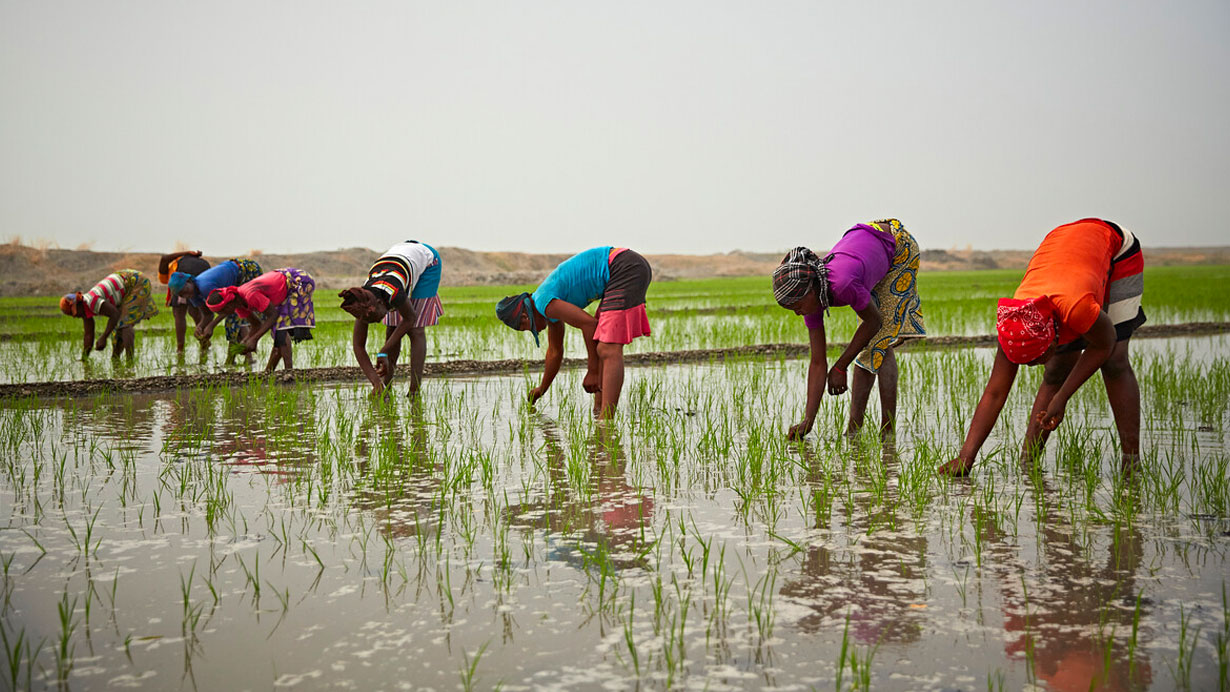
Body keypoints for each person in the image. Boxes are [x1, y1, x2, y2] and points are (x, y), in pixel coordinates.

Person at [939, 218, 1145, 477]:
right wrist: (965, 457)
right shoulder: (1015, 323)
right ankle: (1028, 463)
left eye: (1037, 358)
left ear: (1054, 335)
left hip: (1115, 249)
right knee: (1056, 369)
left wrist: (1063, 397)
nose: (1032, 366)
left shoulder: (1076, 308)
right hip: (1062, 251)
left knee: (1114, 361)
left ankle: (1131, 463)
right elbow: (994, 393)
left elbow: (1105, 342)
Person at [773, 218, 925, 440]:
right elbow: (817, 362)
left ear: (812, 291)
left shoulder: (842, 284)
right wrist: (808, 421)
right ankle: (855, 429)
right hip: (867, 248)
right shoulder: (813, 299)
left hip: (898, 247)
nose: (797, 313)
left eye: (797, 306)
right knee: (870, 346)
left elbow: (874, 322)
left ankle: (887, 431)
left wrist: (840, 366)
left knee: (879, 341)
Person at [497, 247, 652, 418]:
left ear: (525, 317)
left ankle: (606, 423)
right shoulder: (548, 308)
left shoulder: (543, 303)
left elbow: (589, 325)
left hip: (623, 267)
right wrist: (542, 389)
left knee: (608, 348)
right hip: (625, 267)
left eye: (527, 328)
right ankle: (599, 410)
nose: (537, 330)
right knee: (602, 343)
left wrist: (592, 371)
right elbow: (554, 352)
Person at [338, 241, 443, 396]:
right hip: (396, 262)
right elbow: (358, 346)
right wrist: (375, 382)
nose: (376, 321)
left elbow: (410, 319)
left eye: (374, 318)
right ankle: (384, 387)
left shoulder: (394, 292)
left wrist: (384, 351)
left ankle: (414, 391)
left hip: (428, 262)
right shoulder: (361, 303)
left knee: (416, 330)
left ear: (380, 303)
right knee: (392, 327)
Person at [200, 268, 316, 372]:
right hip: (285, 283)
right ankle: (269, 372)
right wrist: (247, 340)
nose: (222, 315)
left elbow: (273, 315)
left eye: (221, 312)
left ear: (228, 305)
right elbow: (256, 325)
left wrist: (254, 339)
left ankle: (288, 372)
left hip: (297, 282)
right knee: (277, 332)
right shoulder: (239, 305)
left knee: (279, 330)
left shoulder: (250, 295)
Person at [170, 257, 264, 363]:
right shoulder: (193, 296)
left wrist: (211, 325)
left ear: (189, 281)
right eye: (182, 294)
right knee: (238, 317)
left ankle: (231, 359)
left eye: (186, 290)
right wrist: (200, 326)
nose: (186, 295)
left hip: (246, 270)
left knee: (234, 318)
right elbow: (208, 315)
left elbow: (229, 306)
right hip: (235, 280)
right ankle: (247, 358)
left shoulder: (205, 286)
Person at [60, 269, 159, 359]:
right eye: (73, 315)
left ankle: (130, 362)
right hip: (124, 283)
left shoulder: (92, 302)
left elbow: (114, 314)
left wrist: (103, 337)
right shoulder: (85, 312)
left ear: (79, 304)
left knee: (124, 323)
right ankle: (115, 358)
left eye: (75, 313)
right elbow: (88, 335)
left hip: (135, 282)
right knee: (116, 329)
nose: (76, 317)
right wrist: (84, 358)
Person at [157, 250, 211, 353]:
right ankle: (204, 343)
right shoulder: (177, 264)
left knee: (179, 313)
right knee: (197, 312)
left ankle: (180, 348)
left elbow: (164, 258)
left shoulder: (172, 276)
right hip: (204, 269)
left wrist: (187, 252)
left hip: (189, 273)